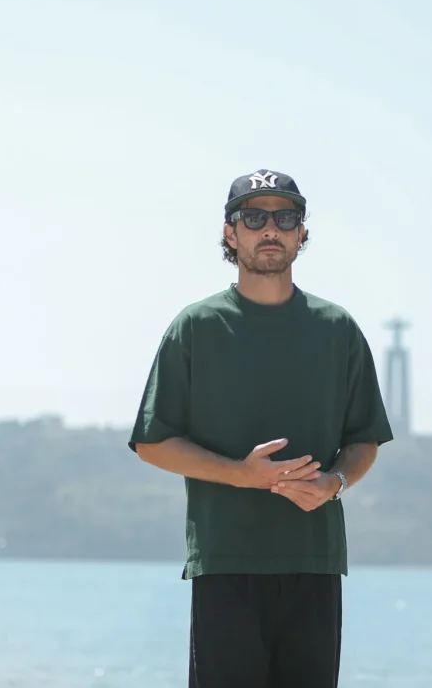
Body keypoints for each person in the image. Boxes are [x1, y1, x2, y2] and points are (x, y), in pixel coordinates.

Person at [127, 168, 394, 688]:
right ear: (231, 233)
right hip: (225, 560)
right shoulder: (196, 327)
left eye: (285, 218)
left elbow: (364, 438)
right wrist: (241, 474)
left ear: (301, 233)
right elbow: (152, 442)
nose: (270, 229)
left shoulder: (337, 329)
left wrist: (335, 483)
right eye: (254, 218)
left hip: (314, 562)